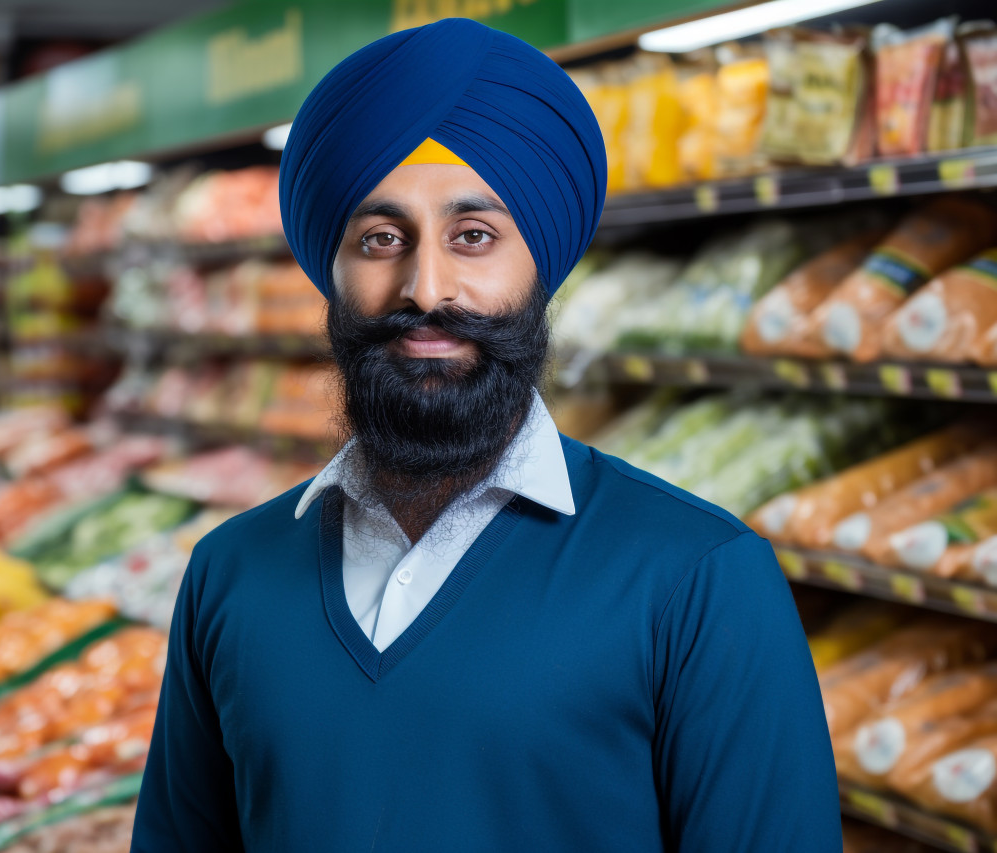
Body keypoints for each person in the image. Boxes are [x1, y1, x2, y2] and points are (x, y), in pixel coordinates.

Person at [131, 17, 839, 853]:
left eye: (475, 236)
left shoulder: (699, 580)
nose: (427, 286)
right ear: (332, 272)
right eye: (380, 239)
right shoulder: (230, 573)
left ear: (541, 265)